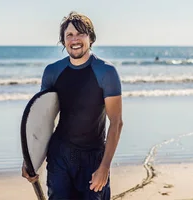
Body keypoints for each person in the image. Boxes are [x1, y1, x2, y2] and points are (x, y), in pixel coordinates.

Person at [21, 11, 124, 200]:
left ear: (90, 38)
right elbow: (43, 120)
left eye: (80, 34)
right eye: (69, 35)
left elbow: (116, 122)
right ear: (63, 41)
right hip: (60, 155)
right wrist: (31, 160)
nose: (74, 39)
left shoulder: (106, 72)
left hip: (93, 157)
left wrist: (104, 167)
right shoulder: (52, 72)